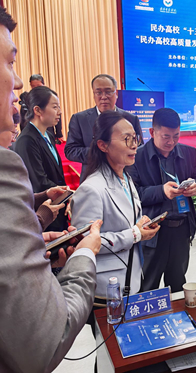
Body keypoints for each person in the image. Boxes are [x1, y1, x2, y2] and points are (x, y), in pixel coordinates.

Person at [0, 0, 102, 372]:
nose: (17, 83)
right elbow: (44, 341)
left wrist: (22, 244)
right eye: (10, 63)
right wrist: (85, 255)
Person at [71, 111, 159, 302]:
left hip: (131, 275)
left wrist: (141, 225)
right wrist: (134, 234)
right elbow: (84, 243)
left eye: (135, 138)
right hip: (106, 287)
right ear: (103, 145)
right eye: (126, 139)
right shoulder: (91, 189)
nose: (134, 145)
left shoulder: (126, 178)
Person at [129, 108, 196, 292]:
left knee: (178, 283)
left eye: (176, 136)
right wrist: (161, 191)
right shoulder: (136, 157)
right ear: (152, 132)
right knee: (148, 286)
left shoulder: (188, 153)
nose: (171, 142)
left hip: (181, 229)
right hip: (153, 232)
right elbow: (132, 195)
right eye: (166, 137)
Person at [0, 112, 65, 231]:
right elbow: (4, 220)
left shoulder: (1, 157)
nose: (14, 139)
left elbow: (13, 199)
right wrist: (42, 217)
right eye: (13, 132)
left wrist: (44, 195)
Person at [65, 74, 143, 181]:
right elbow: (71, 150)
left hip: (124, 177)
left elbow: (139, 146)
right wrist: (102, 153)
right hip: (92, 177)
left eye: (108, 92)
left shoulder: (130, 118)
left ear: (116, 94)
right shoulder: (80, 119)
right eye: (98, 92)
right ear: (94, 94)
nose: (103, 97)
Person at [14, 86, 68, 232]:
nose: (59, 112)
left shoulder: (48, 135)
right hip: (45, 212)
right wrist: (66, 194)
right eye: (55, 107)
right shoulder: (27, 140)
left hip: (58, 206)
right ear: (38, 110)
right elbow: (38, 181)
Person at [28, 73, 63, 143]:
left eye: (38, 86)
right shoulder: (29, 98)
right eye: (33, 87)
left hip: (49, 131)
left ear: (43, 84)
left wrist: (59, 133)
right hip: (33, 132)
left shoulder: (51, 96)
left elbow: (57, 113)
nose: (37, 89)